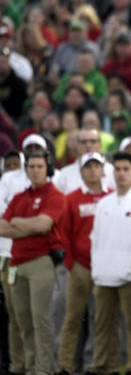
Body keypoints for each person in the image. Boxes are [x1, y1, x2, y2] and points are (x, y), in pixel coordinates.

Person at [0, 150, 67, 375]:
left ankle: (44, 368)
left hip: (41, 260)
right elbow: (1, 226)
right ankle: (30, 366)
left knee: (41, 319)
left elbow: (43, 225)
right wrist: (25, 226)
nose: (36, 170)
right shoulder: (19, 197)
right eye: (32, 166)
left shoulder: (55, 195)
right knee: (23, 320)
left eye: (40, 166)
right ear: (26, 169)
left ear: (47, 169)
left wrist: (16, 224)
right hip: (16, 262)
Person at [88, 152, 131, 375]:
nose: (121, 174)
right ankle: (103, 366)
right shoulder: (103, 203)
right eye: (117, 169)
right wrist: (96, 268)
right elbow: (96, 238)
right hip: (103, 274)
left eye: (125, 169)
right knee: (103, 325)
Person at [56, 152, 112, 375]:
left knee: (100, 319)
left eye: (96, 166)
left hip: (104, 266)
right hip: (80, 266)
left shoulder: (111, 197)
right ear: (81, 172)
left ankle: (94, 364)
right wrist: (70, 262)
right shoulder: (71, 198)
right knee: (72, 319)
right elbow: (64, 233)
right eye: (87, 167)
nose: (92, 171)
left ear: (102, 170)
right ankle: (63, 365)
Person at [54, 129, 115, 194]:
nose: (88, 145)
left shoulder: (112, 170)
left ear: (100, 145)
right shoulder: (65, 173)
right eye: (84, 142)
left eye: (93, 141)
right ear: (77, 145)